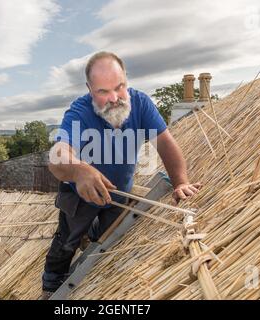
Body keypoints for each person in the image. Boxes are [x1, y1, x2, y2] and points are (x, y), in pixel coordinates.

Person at [41, 51, 201, 299]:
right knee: (67, 241)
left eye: (120, 87)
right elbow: (57, 155)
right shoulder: (79, 111)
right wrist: (79, 170)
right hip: (78, 194)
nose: (114, 98)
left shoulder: (141, 103)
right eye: (103, 92)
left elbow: (166, 144)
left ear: (126, 79)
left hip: (118, 193)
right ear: (89, 89)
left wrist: (181, 182)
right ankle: (49, 285)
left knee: (109, 239)